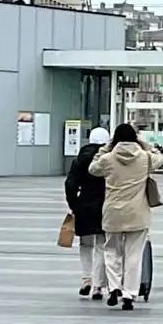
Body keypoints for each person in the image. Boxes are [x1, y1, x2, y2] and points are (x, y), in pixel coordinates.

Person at [86, 122, 157, 309]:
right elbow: (160, 158)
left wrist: (107, 148)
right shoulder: (145, 158)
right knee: (134, 255)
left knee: (111, 251)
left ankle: (114, 287)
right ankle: (129, 294)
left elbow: (92, 168)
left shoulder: (108, 159)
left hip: (112, 212)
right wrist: (144, 143)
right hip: (137, 213)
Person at [64, 126, 110, 296]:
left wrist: (74, 204)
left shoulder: (79, 160)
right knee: (101, 245)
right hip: (105, 205)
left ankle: (86, 279)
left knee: (85, 244)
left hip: (83, 206)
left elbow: (70, 184)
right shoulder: (108, 158)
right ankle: (98, 285)